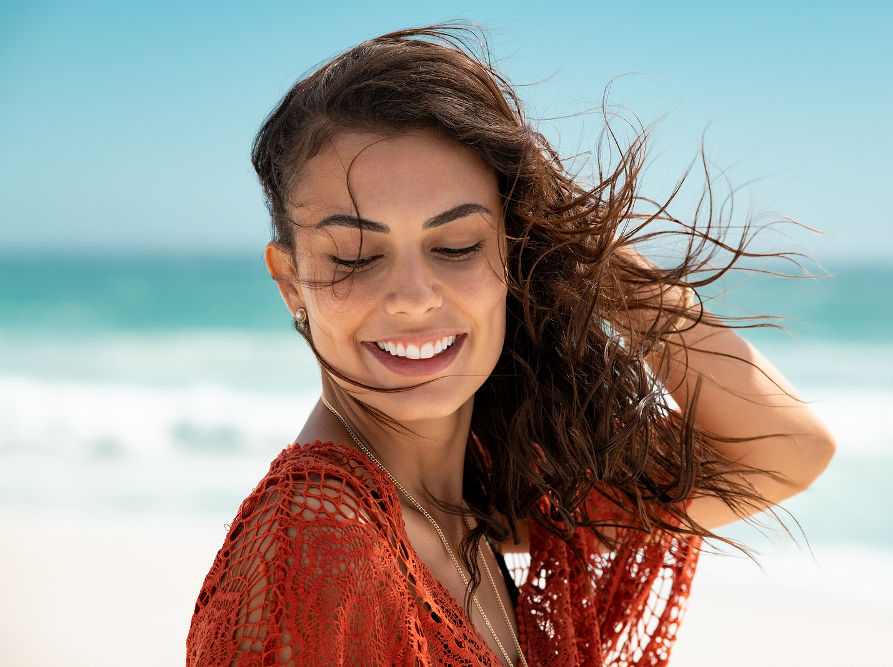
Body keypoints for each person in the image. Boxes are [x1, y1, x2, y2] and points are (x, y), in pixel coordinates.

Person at [186, 24, 836, 667]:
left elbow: (784, 447)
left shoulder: (467, 510)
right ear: (290, 281)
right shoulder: (319, 548)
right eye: (356, 254)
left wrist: (563, 236)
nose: (414, 295)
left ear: (510, 250)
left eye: (458, 244)